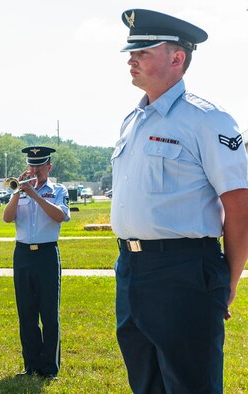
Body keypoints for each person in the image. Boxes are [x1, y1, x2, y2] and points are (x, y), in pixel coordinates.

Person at [112, 9, 248, 393]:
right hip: (131, 269)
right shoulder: (133, 121)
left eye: (143, 51)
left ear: (177, 58)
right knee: (146, 382)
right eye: (131, 52)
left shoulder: (207, 120)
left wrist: (228, 281)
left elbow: (239, 207)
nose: (131, 59)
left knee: (191, 384)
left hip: (184, 271)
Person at [2, 146, 69, 379]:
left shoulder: (58, 190)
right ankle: (30, 365)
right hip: (22, 254)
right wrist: (17, 194)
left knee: (49, 313)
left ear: (48, 167)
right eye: (31, 165)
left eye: (39, 166)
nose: (34, 170)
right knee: (26, 312)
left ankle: (50, 367)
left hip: (47, 254)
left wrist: (35, 196)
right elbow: (7, 218)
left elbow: (61, 216)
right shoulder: (19, 191)